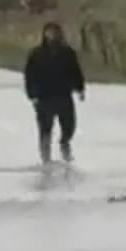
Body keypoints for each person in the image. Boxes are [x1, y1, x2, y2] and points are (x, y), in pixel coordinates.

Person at [23, 21, 85, 164]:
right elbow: (30, 75)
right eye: (49, 32)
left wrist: (80, 88)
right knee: (45, 127)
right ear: (44, 34)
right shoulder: (36, 54)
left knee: (69, 125)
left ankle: (65, 142)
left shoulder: (68, 53)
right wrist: (32, 94)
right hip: (44, 96)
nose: (52, 35)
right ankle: (45, 155)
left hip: (63, 94)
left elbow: (76, 72)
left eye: (55, 32)